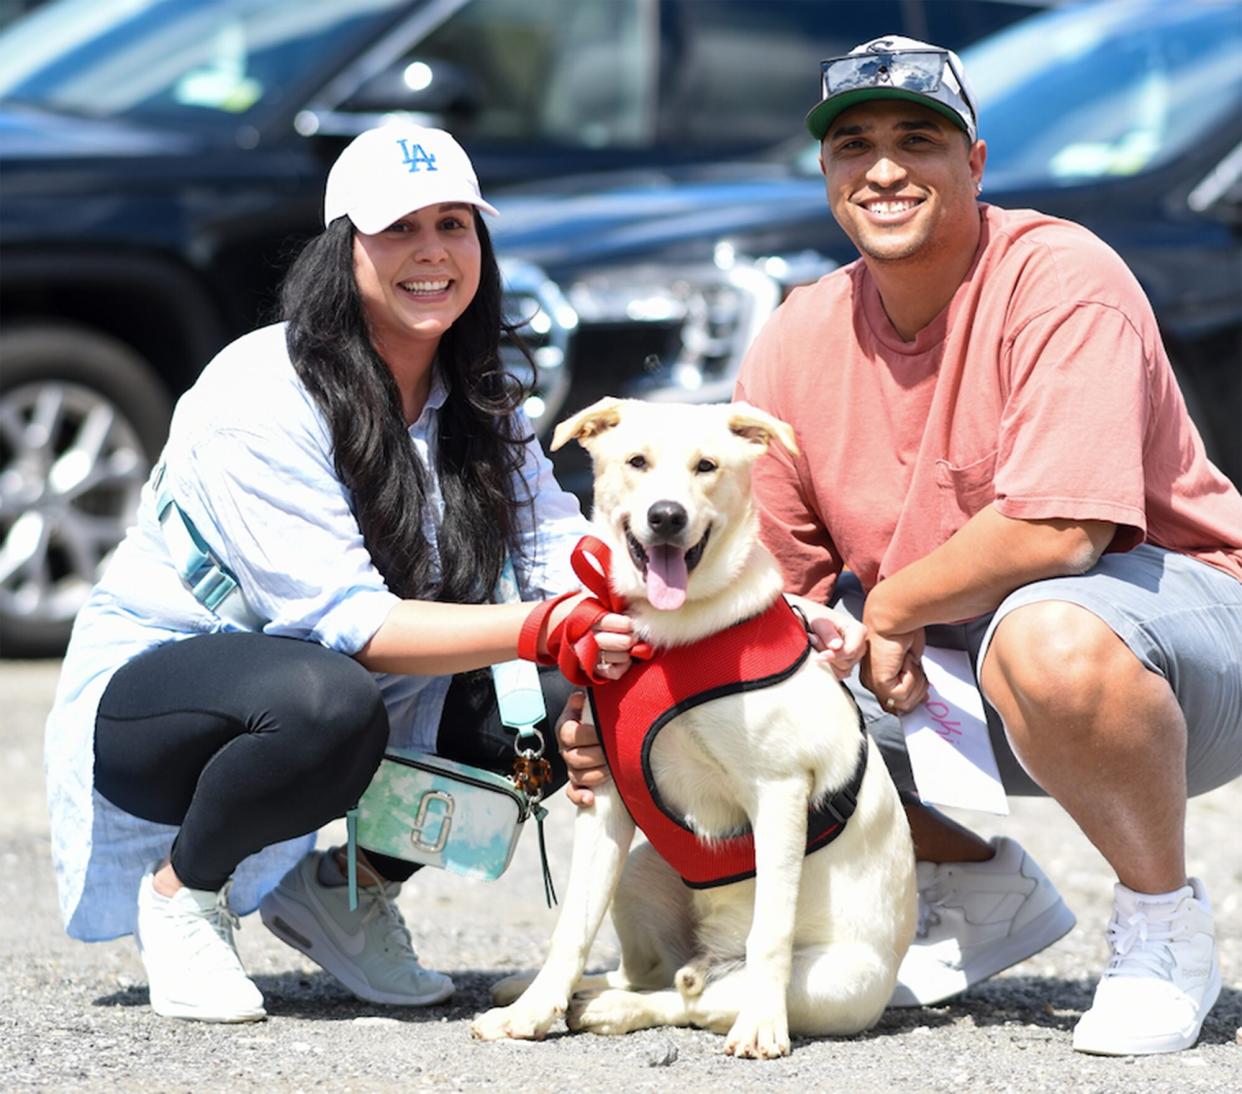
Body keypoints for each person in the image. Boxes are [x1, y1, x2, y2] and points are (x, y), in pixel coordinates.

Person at [559, 35, 1242, 1057]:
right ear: (828, 173)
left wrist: (888, 606)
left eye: (917, 140)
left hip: (1166, 656)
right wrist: (612, 703)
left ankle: (1163, 928)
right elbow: (754, 589)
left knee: (1044, 633)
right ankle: (974, 880)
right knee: (724, 698)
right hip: (935, 670)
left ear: (973, 162)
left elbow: (1066, 528)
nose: (883, 169)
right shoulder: (798, 330)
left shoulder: (1061, 275)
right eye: (854, 144)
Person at [43, 124, 635, 1024]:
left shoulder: (482, 395)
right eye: (398, 229)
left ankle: (347, 889)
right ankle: (183, 893)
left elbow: (561, 553)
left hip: (355, 684)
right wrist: (545, 626)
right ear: (341, 249)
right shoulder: (260, 391)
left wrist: (622, 640)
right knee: (327, 701)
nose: (432, 252)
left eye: (454, 224)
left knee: (574, 694)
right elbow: (353, 625)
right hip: (168, 699)